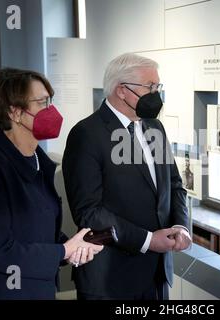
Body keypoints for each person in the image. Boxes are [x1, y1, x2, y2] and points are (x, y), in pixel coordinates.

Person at [0, 68, 103, 300]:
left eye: (50, 101)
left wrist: (70, 249)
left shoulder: (37, 160)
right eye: (42, 102)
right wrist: (62, 250)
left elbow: (35, 230)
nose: (52, 111)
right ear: (15, 112)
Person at [62, 53, 191, 300]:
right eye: (150, 87)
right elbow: (89, 211)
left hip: (157, 274)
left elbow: (174, 185)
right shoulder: (86, 134)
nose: (156, 94)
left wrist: (180, 226)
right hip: (111, 279)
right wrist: (148, 240)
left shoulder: (155, 127)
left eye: (158, 86)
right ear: (122, 90)